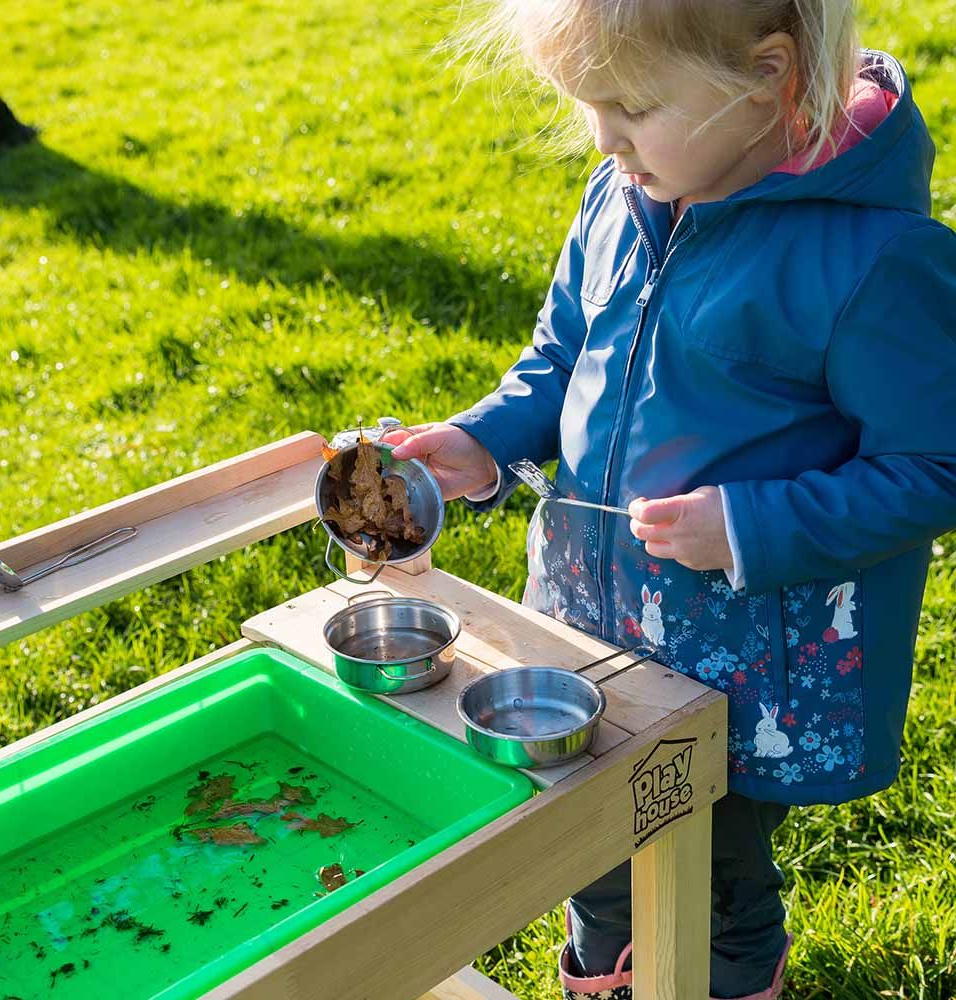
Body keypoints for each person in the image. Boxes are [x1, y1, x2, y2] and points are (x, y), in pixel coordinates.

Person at [383, 0, 956, 996]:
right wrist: (483, 441)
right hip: (591, 620)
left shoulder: (873, 258)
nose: (602, 140)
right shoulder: (620, 193)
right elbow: (562, 357)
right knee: (589, 836)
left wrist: (746, 524)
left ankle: (727, 975)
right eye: (586, 106)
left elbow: (933, 466)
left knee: (712, 863)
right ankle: (612, 961)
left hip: (748, 663)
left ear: (767, 76)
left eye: (631, 107)